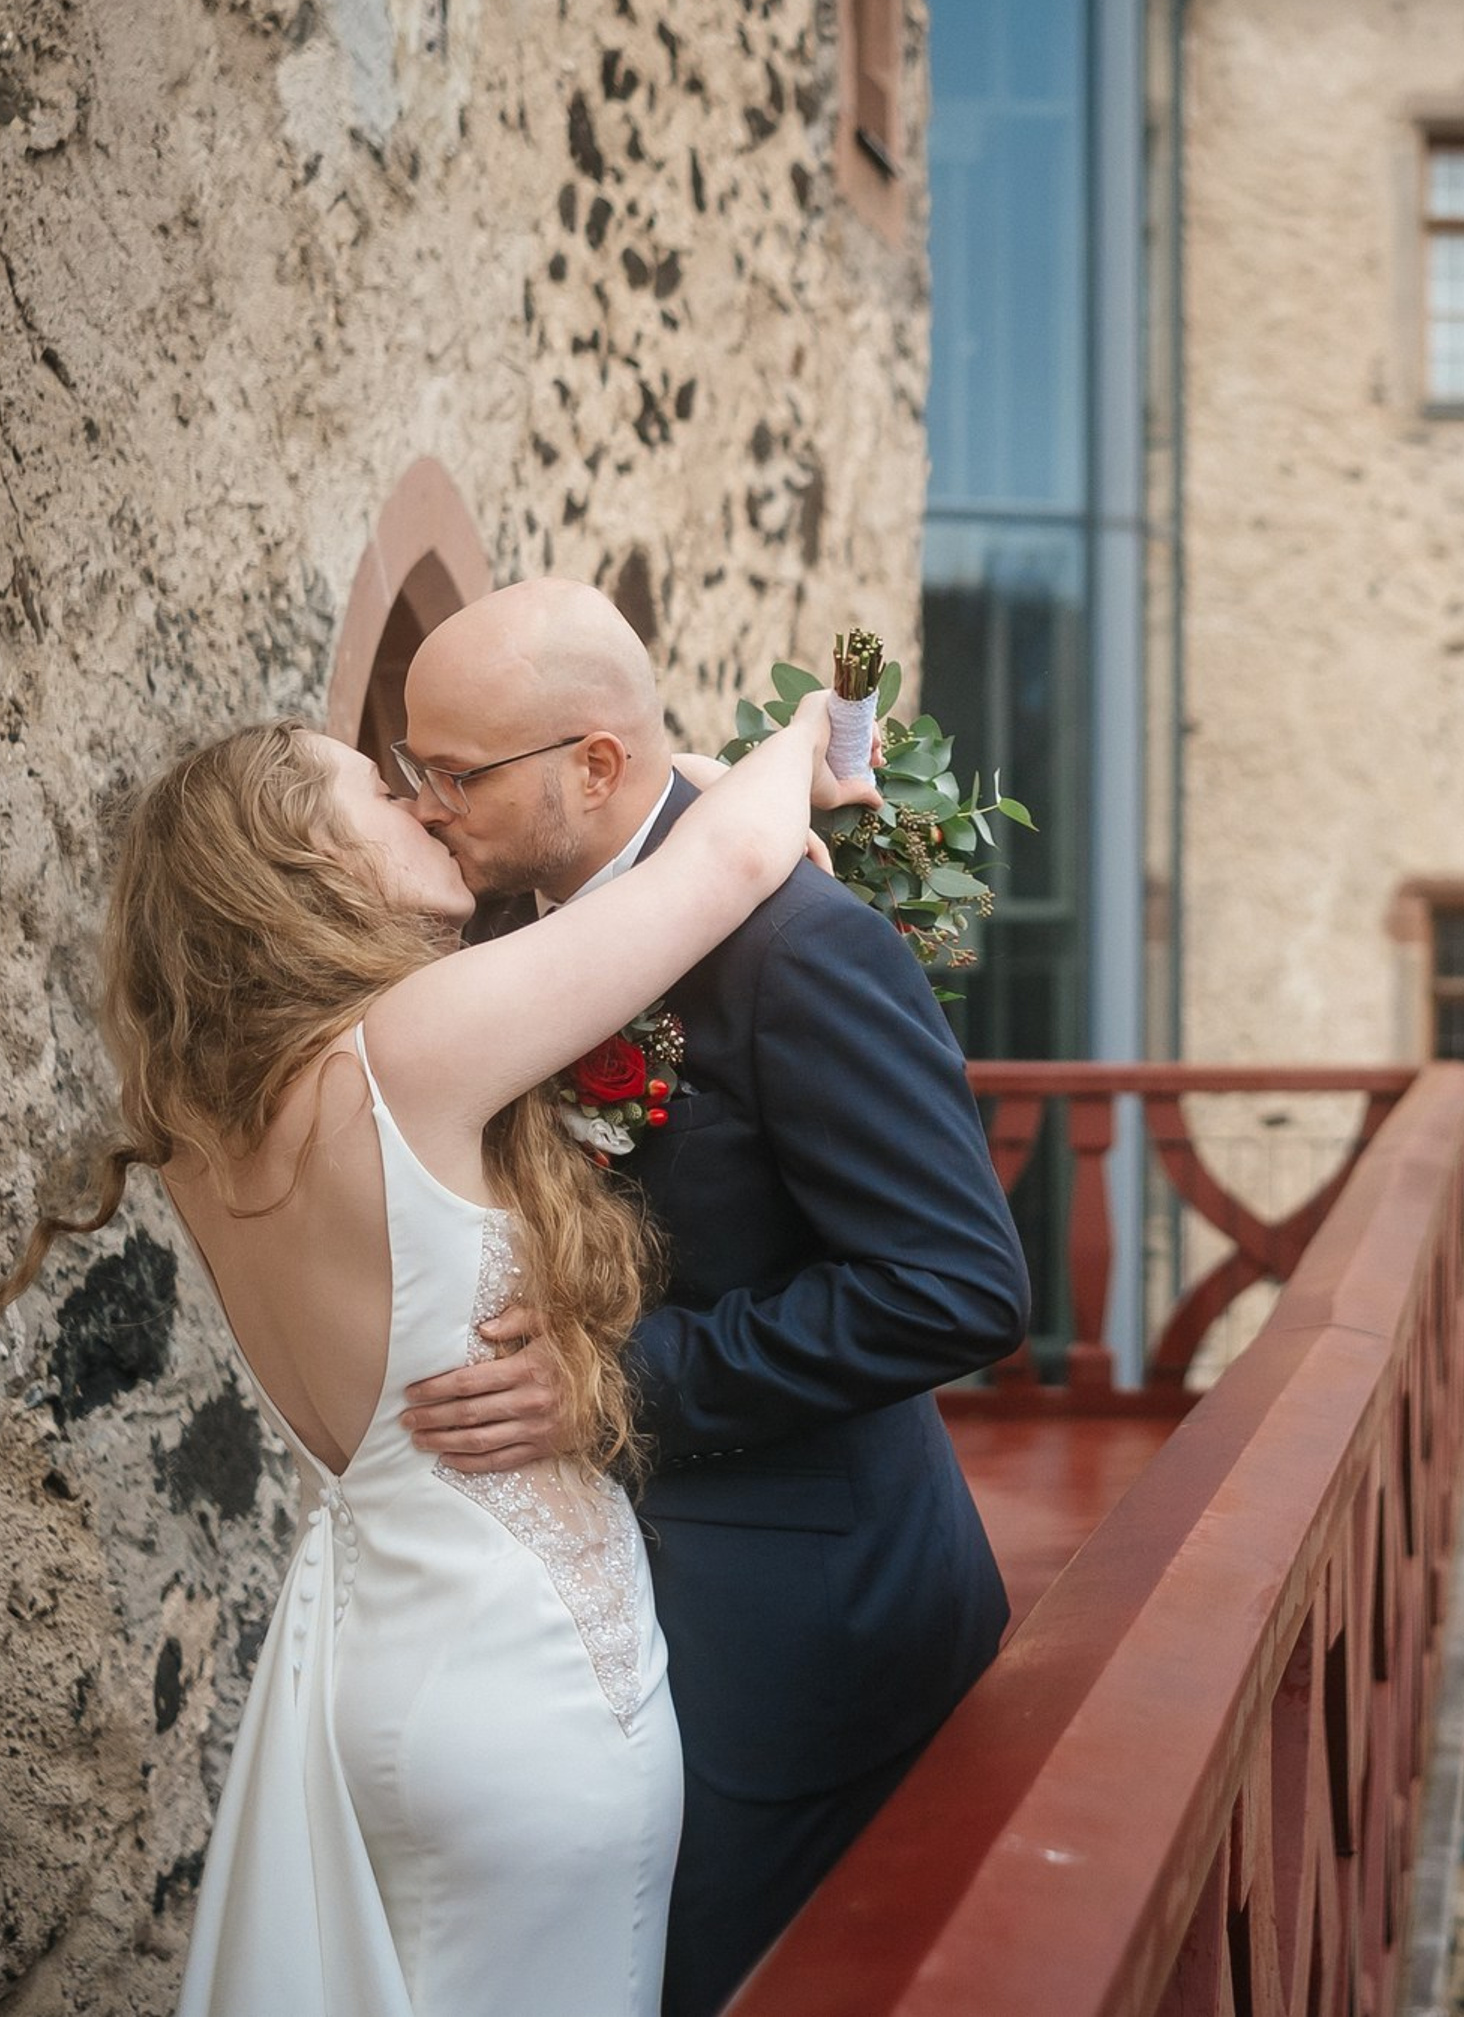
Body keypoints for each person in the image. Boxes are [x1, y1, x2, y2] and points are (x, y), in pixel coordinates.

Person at [0, 676, 854, 2017]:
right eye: (380, 793)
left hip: (371, 1667)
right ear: (313, 862)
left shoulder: (200, 1132)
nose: (423, 807)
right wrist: (815, 731)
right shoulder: (410, 1050)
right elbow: (734, 857)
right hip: (529, 1696)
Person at [393, 582, 1031, 2017]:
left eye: (454, 774)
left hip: (796, 1630)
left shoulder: (799, 949)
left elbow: (956, 1286)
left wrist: (622, 1379)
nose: (425, 805)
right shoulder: (523, 932)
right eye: (409, 769)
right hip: (596, 1604)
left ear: (598, 766)